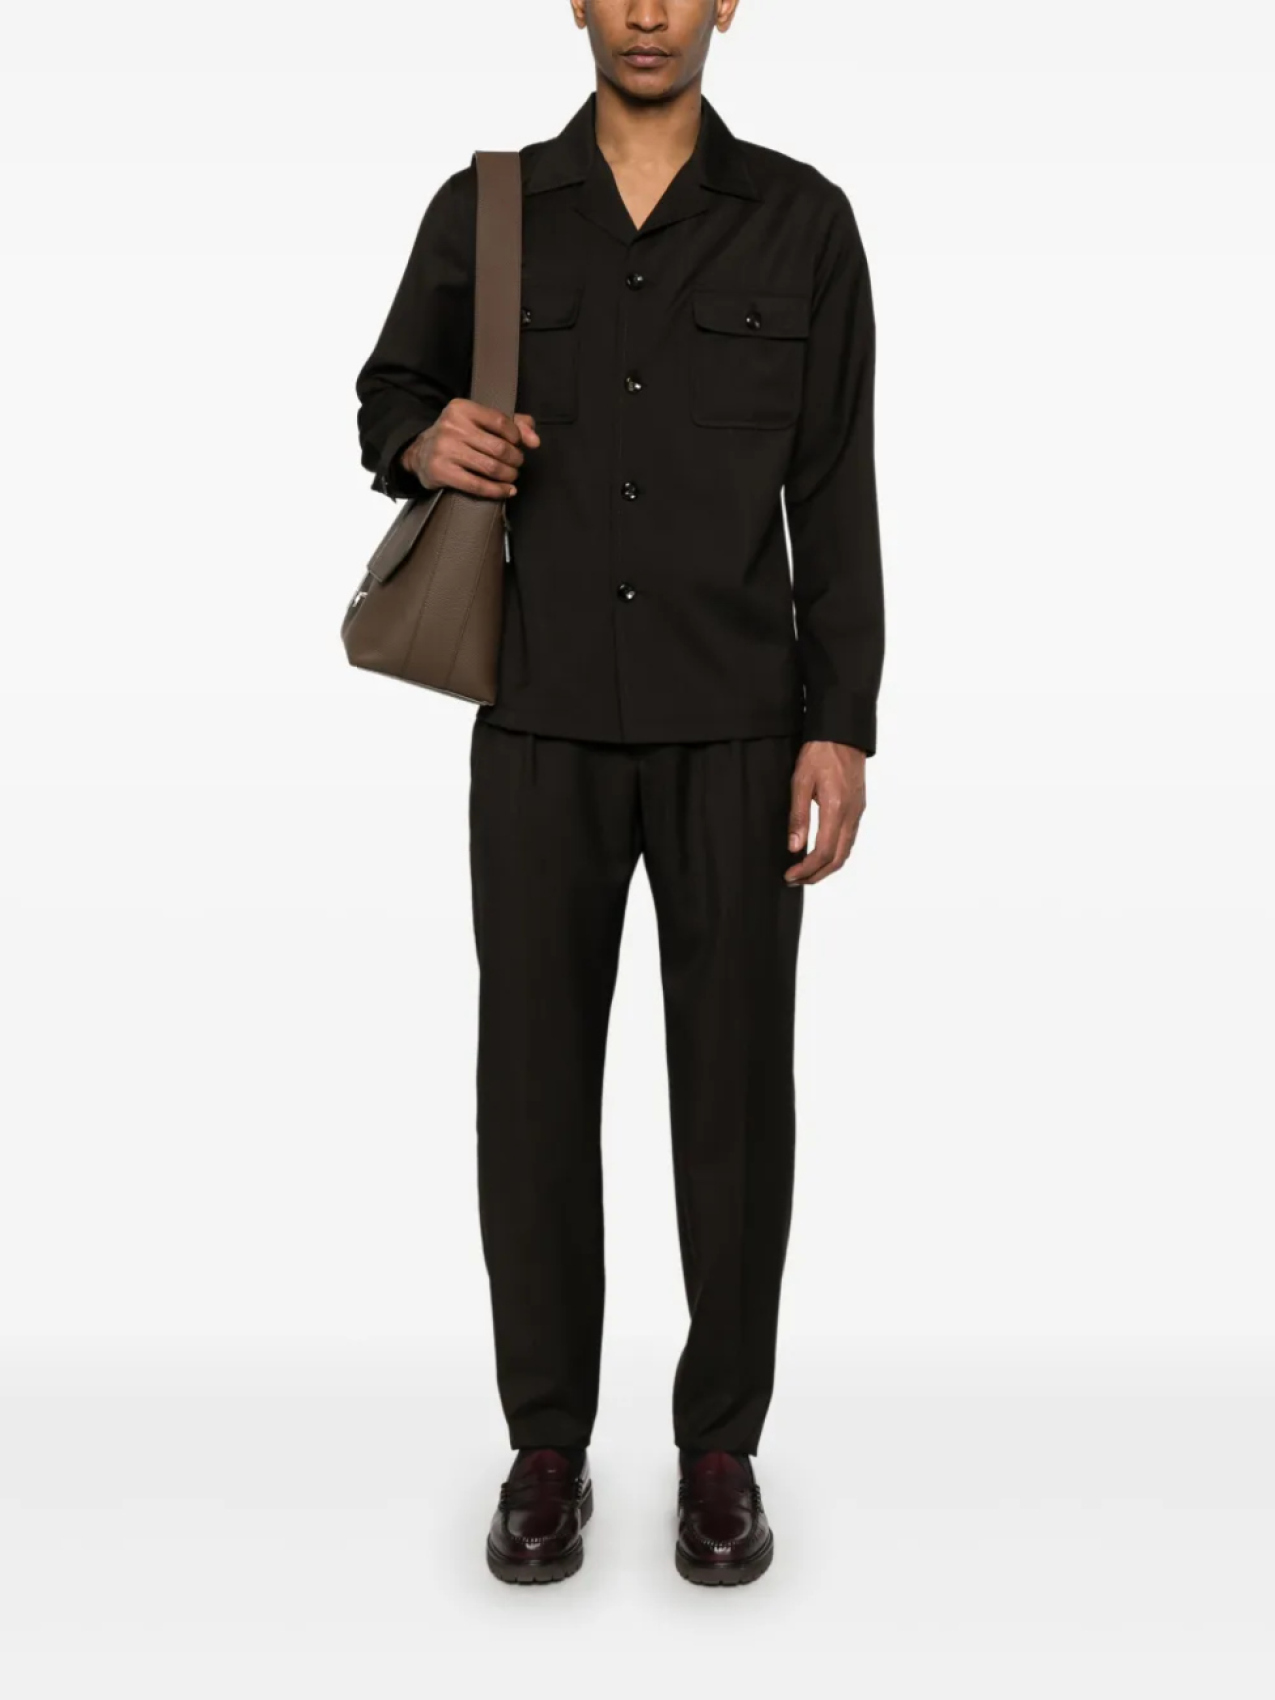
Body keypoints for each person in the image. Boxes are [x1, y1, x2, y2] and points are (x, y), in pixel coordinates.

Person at [354, 0, 884, 1588]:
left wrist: (841, 723)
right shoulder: (490, 210)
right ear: (576, 2)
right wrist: (426, 441)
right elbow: (387, 392)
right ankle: (547, 1445)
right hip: (539, 719)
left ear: (728, 2)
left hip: (741, 730)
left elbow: (835, 484)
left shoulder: (803, 221)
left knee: (736, 1100)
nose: (648, 10)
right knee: (530, 1090)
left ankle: (720, 1448)